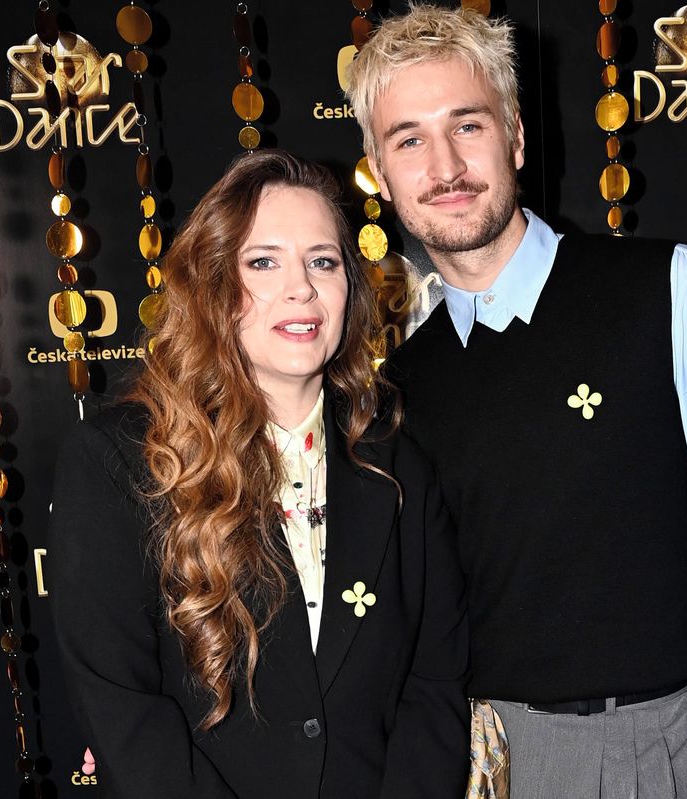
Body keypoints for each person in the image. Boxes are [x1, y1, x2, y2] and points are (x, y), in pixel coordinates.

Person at [347, 6, 687, 798]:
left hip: (653, 752)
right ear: (379, 169)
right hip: (474, 759)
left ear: (515, 136)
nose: (445, 165)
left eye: (467, 125)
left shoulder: (670, 286)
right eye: (409, 140)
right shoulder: (398, 382)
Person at [48, 149, 469, 799]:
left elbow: (434, 682)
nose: (300, 288)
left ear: (350, 287)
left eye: (322, 261)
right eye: (264, 262)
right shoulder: (118, 459)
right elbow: (121, 706)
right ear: (214, 283)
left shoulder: (399, 466)